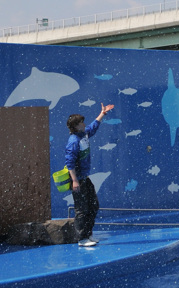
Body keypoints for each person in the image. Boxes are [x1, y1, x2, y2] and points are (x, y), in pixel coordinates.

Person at [65, 103, 115, 248]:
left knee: (93, 205)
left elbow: (93, 126)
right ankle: (81, 239)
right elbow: (70, 163)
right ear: (76, 126)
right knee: (82, 209)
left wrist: (102, 114)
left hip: (84, 178)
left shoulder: (83, 134)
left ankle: (88, 233)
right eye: (81, 122)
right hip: (77, 180)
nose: (84, 123)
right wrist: (74, 181)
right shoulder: (73, 141)